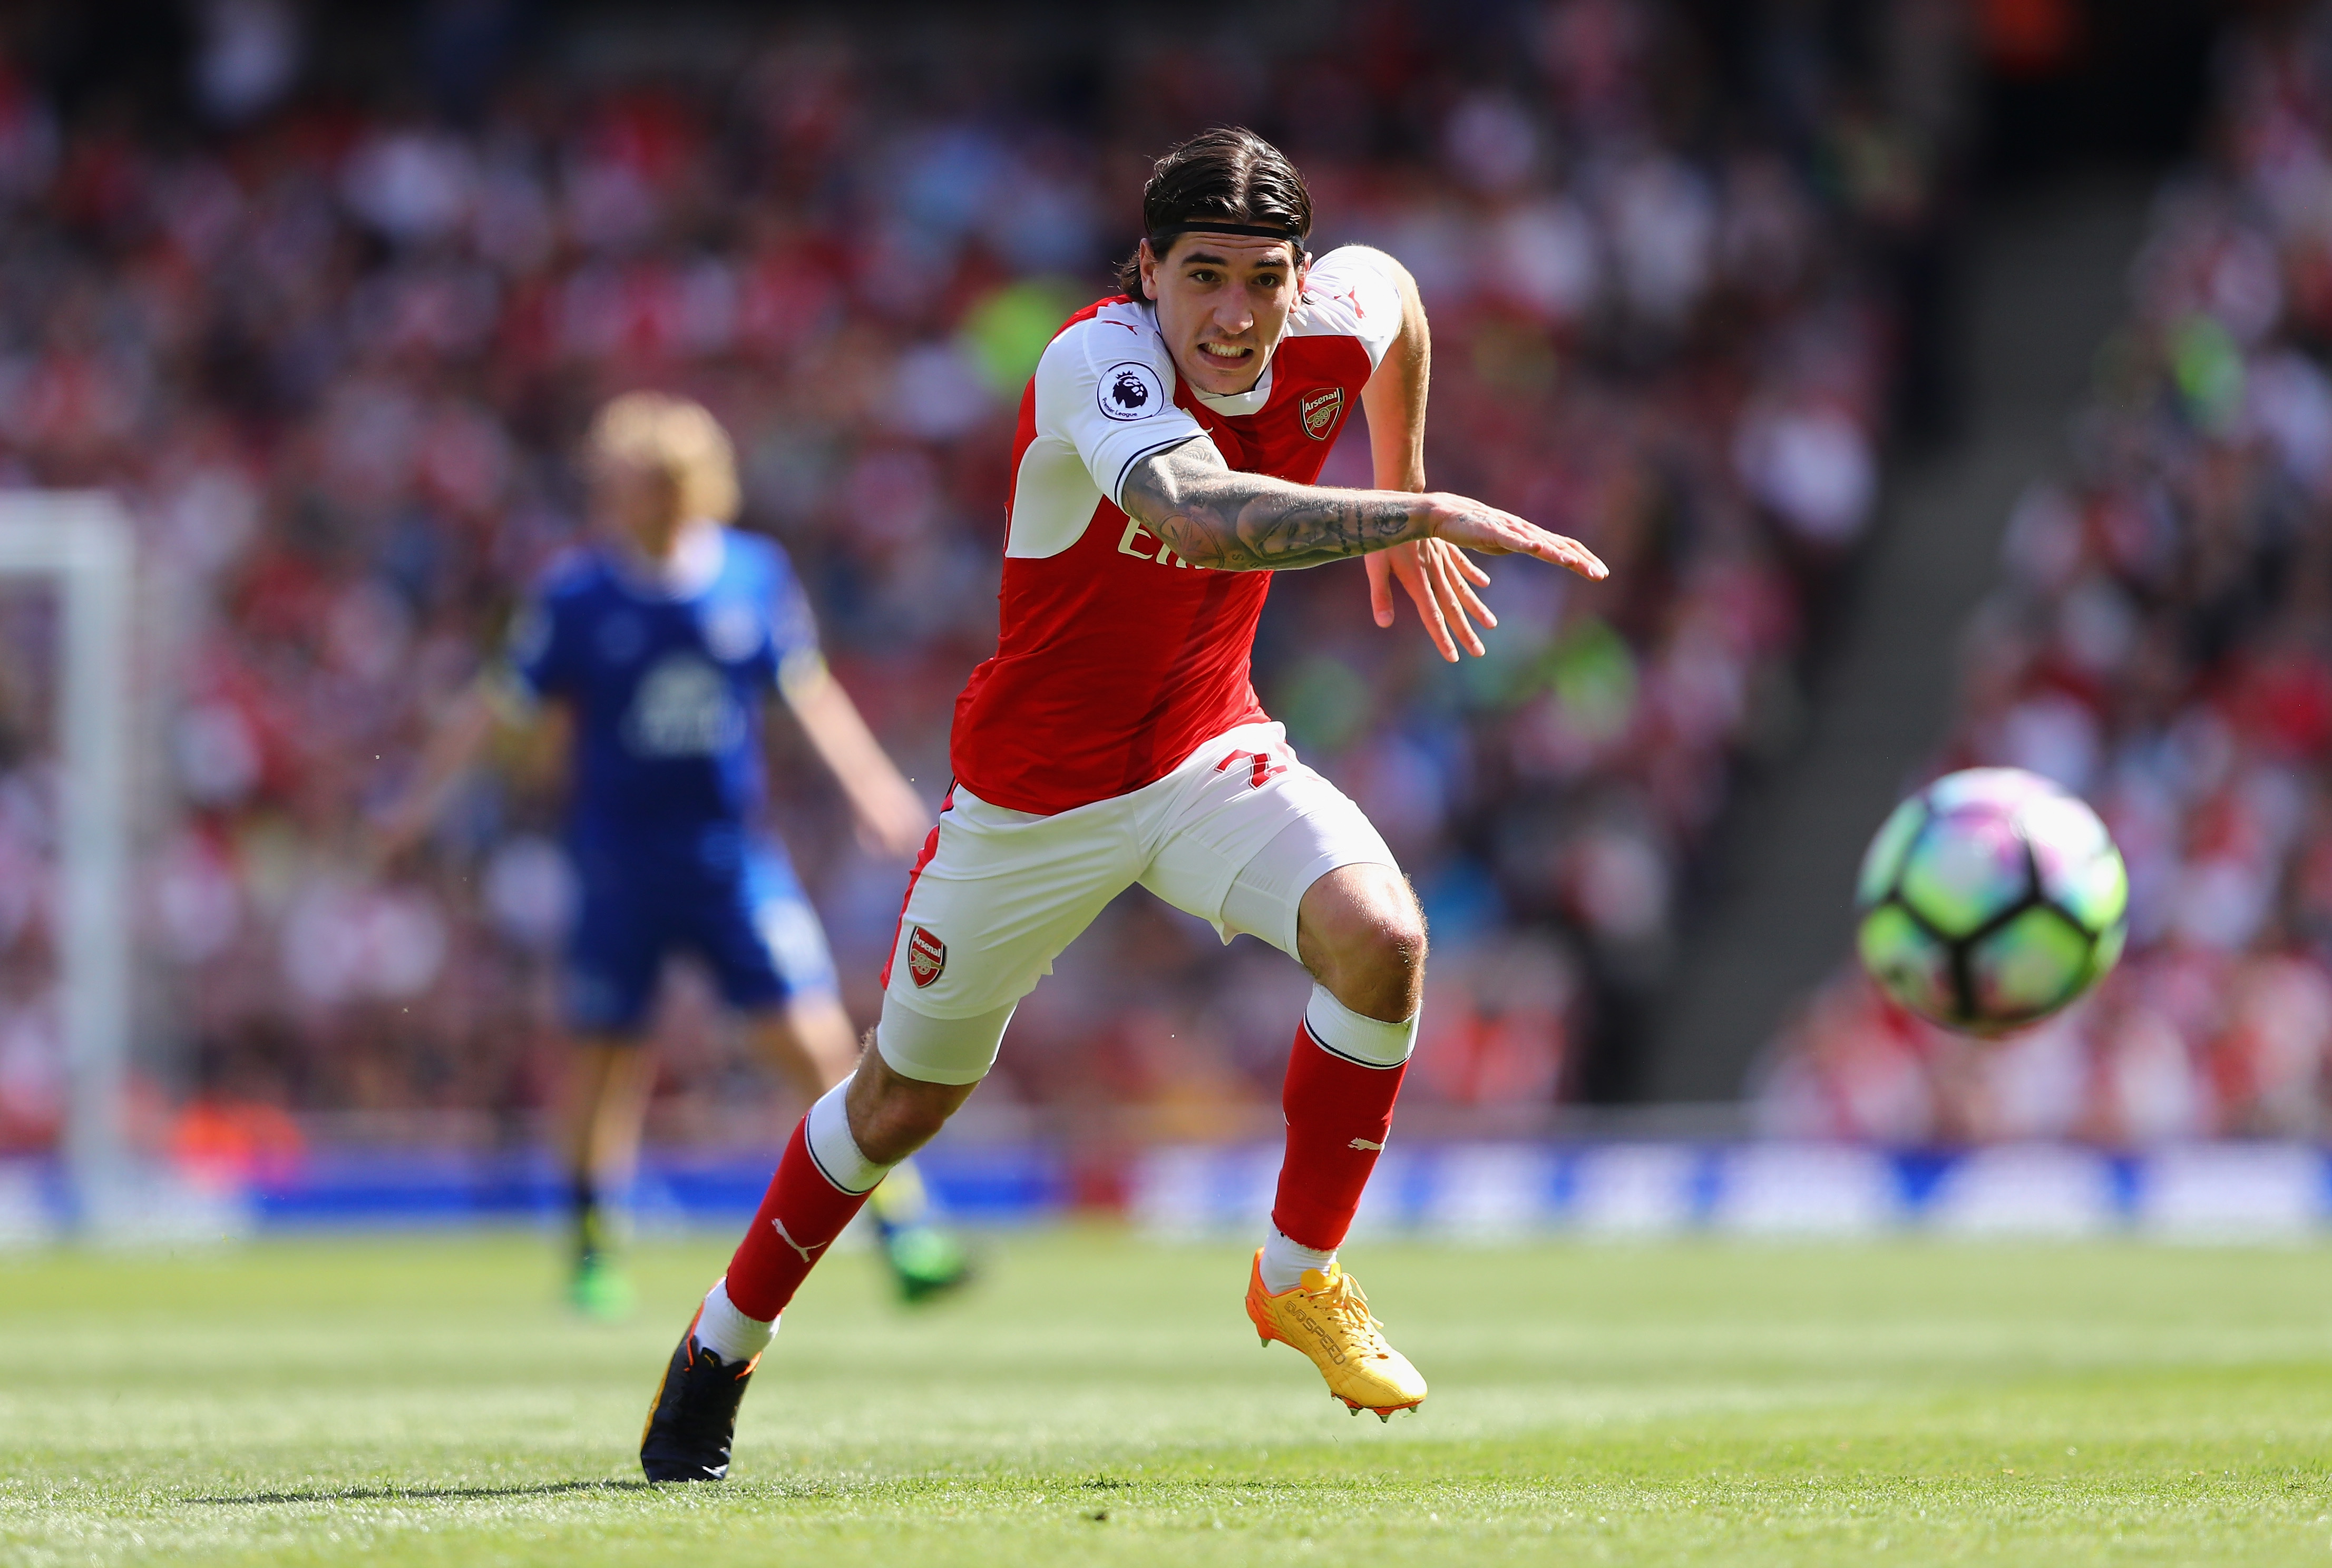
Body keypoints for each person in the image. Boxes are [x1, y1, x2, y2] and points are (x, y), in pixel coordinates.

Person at [637, 126, 1607, 1481]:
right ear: (1145, 269)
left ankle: (1299, 1273)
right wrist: (1416, 507)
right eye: (1199, 275)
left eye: (1261, 278)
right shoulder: (1095, 361)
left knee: (1380, 942)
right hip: (1029, 803)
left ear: (1295, 276)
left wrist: (1404, 453)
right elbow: (1199, 514)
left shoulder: (1337, 310)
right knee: (894, 1107)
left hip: (1208, 751)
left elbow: (1395, 300)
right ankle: (718, 1348)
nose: (1232, 313)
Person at [374, 391, 974, 1317]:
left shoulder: (751, 575)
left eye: (655, 481)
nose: (639, 499)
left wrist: (872, 789)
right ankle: (590, 1244)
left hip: (730, 855)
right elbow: (498, 709)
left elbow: (805, 693)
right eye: (623, 481)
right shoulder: (574, 596)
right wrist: (415, 806)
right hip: (617, 862)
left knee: (814, 1042)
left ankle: (904, 1227)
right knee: (608, 1058)